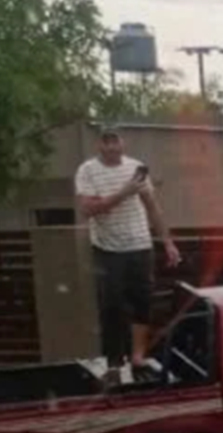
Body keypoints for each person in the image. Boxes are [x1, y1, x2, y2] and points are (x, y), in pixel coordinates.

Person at [73, 127, 181, 384]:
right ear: (99, 144)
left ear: (123, 143)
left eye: (115, 141)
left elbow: (153, 208)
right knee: (111, 305)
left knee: (142, 302)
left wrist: (168, 242)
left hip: (140, 245)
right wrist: (124, 192)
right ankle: (113, 361)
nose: (111, 146)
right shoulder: (87, 170)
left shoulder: (137, 168)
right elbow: (88, 209)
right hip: (108, 249)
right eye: (106, 142)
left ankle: (137, 356)